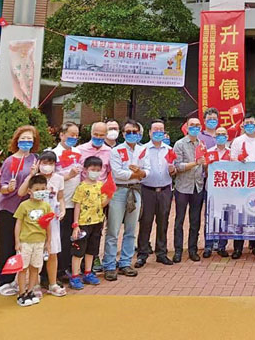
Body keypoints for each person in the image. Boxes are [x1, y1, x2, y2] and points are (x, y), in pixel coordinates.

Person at [0, 126, 40, 296]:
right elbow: (2, 186)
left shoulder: (35, 160)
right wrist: (8, 188)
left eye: (30, 139)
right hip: (9, 209)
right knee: (6, 246)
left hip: (28, 211)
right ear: (16, 140)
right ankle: (4, 281)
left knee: (23, 246)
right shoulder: (9, 161)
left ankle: (18, 280)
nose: (26, 142)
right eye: (23, 139)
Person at [103, 120, 147, 280]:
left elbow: (147, 171)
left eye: (135, 131)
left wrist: (140, 173)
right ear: (123, 134)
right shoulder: (117, 150)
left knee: (131, 230)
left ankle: (125, 263)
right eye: (129, 132)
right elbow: (118, 173)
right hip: (119, 191)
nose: (132, 134)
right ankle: (109, 264)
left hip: (136, 191)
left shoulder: (143, 150)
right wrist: (138, 173)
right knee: (113, 230)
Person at [136, 120, 176, 267]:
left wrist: (173, 170)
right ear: (149, 132)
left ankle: (162, 253)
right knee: (145, 222)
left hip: (165, 190)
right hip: (147, 190)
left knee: (163, 222)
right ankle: (142, 253)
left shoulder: (169, 149)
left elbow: (174, 170)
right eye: (155, 130)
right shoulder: (143, 150)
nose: (158, 133)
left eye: (161, 130)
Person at [68, 157, 109, 290]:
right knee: (79, 250)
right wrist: (76, 224)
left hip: (97, 221)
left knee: (92, 249)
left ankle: (88, 272)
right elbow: (77, 205)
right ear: (85, 170)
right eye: (92, 169)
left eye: (98, 170)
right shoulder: (81, 187)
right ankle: (74, 275)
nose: (95, 172)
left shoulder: (100, 185)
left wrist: (110, 195)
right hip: (83, 223)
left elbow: (102, 203)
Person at [12, 174, 52, 307]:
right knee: (22, 268)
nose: (40, 192)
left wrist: (48, 241)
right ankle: (21, 293)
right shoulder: (24, 205)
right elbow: (18, 223)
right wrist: (17, 241)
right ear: (30, 191)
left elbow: (48, 224)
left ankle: (31, 291)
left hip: (39, 242)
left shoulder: (46, 206)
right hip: (25, 242)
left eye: (43, 189)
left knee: (35, 267)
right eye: (37, 189)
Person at [229, 116, 255, 259]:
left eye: (252, 123)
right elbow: (232, 159)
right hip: (241, 183)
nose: (250, 125)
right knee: (240, 214)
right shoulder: (238, 141)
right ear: (243, 125)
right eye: (247, 123)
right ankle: (238, 247)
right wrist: (239, 160)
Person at [172, 117, 207, 263]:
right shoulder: (180, 144)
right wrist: (195, 163)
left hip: (197, 186)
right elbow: (177, 166)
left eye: (197, 125)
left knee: (195, 220)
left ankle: (192, 249)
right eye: (192, 125)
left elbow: (203, 166)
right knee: (179, 220)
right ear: (186, 127)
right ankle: (178, 250)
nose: (195, 128)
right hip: (182, 187)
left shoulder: (202, 144)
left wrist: (205, 165)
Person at [49, 122, 81, 282]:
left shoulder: (78, 152)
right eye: (71, 135)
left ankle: (67, 267)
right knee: (58, 238)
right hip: (59, 203)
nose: (73, 138)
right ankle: (56, 271)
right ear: (62, 135)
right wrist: (68, 175)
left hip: (75, 203)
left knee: (70, 238)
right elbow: (49, 178)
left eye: (76, 135)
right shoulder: (53, 154)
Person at [35, 151, 67, 296]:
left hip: (52, 220)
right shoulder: (34, 178)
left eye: (50, 163)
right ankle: (34, 284)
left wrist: (63, 210)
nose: (47, 166)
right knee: (35, 252)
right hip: (35, 220)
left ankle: (52, 284)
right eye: (44, 163)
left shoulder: (59, 179)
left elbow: (60, 198)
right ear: (39, 164)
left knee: (52, 251)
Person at [205, 126, 232, 258]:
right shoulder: (209, 152)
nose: (221, 137)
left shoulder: (231, 154)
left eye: (223, 134)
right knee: (209, 218)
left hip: (226, 192)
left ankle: (222, 245)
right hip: (210, 190)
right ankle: (208, 246)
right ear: (214, 137)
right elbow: (204, 172)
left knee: (224, 219)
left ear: (227, 137)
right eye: (218, 134)